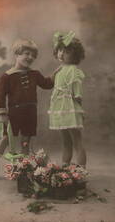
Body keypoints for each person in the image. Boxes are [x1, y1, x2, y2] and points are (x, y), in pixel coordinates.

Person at [0, 39, 54, 180]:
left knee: (25, 141)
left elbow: (47, 84)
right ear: (17, 54)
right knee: (5, 139)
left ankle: (22, 171)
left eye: (33, 55)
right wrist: (2, 113)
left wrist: (58, 73)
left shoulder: (35, 74)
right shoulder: (7, 76)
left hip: (30, 113)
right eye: (26, 53)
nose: (30, 57)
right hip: (14, 113)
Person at [48, 31, 87, 168]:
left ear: (75, 54)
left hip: (69, 108)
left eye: (66, 51)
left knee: (76, 140)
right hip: (60, 109)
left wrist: (80, 111)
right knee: (66, 140)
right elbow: (52, 83)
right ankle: (65, 167)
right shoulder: (60, 69)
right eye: (59, 50)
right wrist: (54, 74)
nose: (61, 54)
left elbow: (77, 94)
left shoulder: (73, 70)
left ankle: (81, 170)